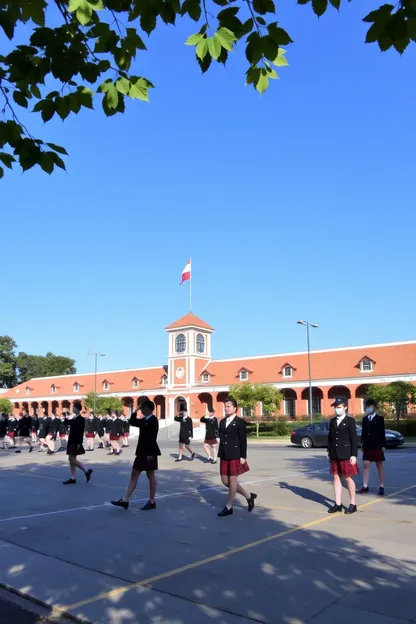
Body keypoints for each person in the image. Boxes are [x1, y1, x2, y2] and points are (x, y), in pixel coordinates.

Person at [111, 398, 161, 511]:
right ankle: (125, 500)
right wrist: (135, 410)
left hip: (149, 452)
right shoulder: (143, 420)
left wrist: (149, 453)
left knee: (150, 475)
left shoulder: (153, 420)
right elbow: (132, 421)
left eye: (142, 408)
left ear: (148, 409)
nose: (141, 410)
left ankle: (152, 501)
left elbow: (152, 438)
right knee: (135, 473)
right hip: (141, 452)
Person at [217, 398, 257, 517]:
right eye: (225, 406)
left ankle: (229, 506)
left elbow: (243, 440)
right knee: (225, 481)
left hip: (235, 453)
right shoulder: (222, 422)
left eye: (229, 406)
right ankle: (249, 496)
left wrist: (243, 456)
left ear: (235, 408)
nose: (226, 408)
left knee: (233, 480)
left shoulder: (239, 422)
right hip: (224, 453)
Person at [327, 398, 358, 515]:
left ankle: (353, 503)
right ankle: (338, 504)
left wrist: (354, 455)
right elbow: (330, 438)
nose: (337, 409)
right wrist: (329, 453)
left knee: (348, 478)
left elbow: (354, 439)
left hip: (346, 453)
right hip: (335, 453)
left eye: (339, 407)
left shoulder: (350, 421)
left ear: (345, 407)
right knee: (336, 477)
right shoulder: (333, 421)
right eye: (335, 407)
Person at [359, 398, 386, 496]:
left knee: (379, 466)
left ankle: (381, 486)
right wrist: (362, 443)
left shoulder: (380, 419)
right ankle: (365, 486)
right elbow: (363, 433)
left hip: (377, 445)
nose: (368, 408)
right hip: (367, 446)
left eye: (370, 406)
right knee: (366, 465)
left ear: (374, 407)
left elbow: (382, 432)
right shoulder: (365, 419)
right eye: (367, 406)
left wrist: (383, 445)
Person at [63, 407, 93, 485]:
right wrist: (67, 416)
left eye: (73, 408)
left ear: (77, 409)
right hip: (72, 441)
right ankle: (73, 478)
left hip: (75, 441)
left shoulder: (80, 419)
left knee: (71, 459)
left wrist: (79, 443)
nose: (72, 409)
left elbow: (80, 432)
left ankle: (86, 470)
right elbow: (66, 422)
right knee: (71, 459)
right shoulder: (75, 418)